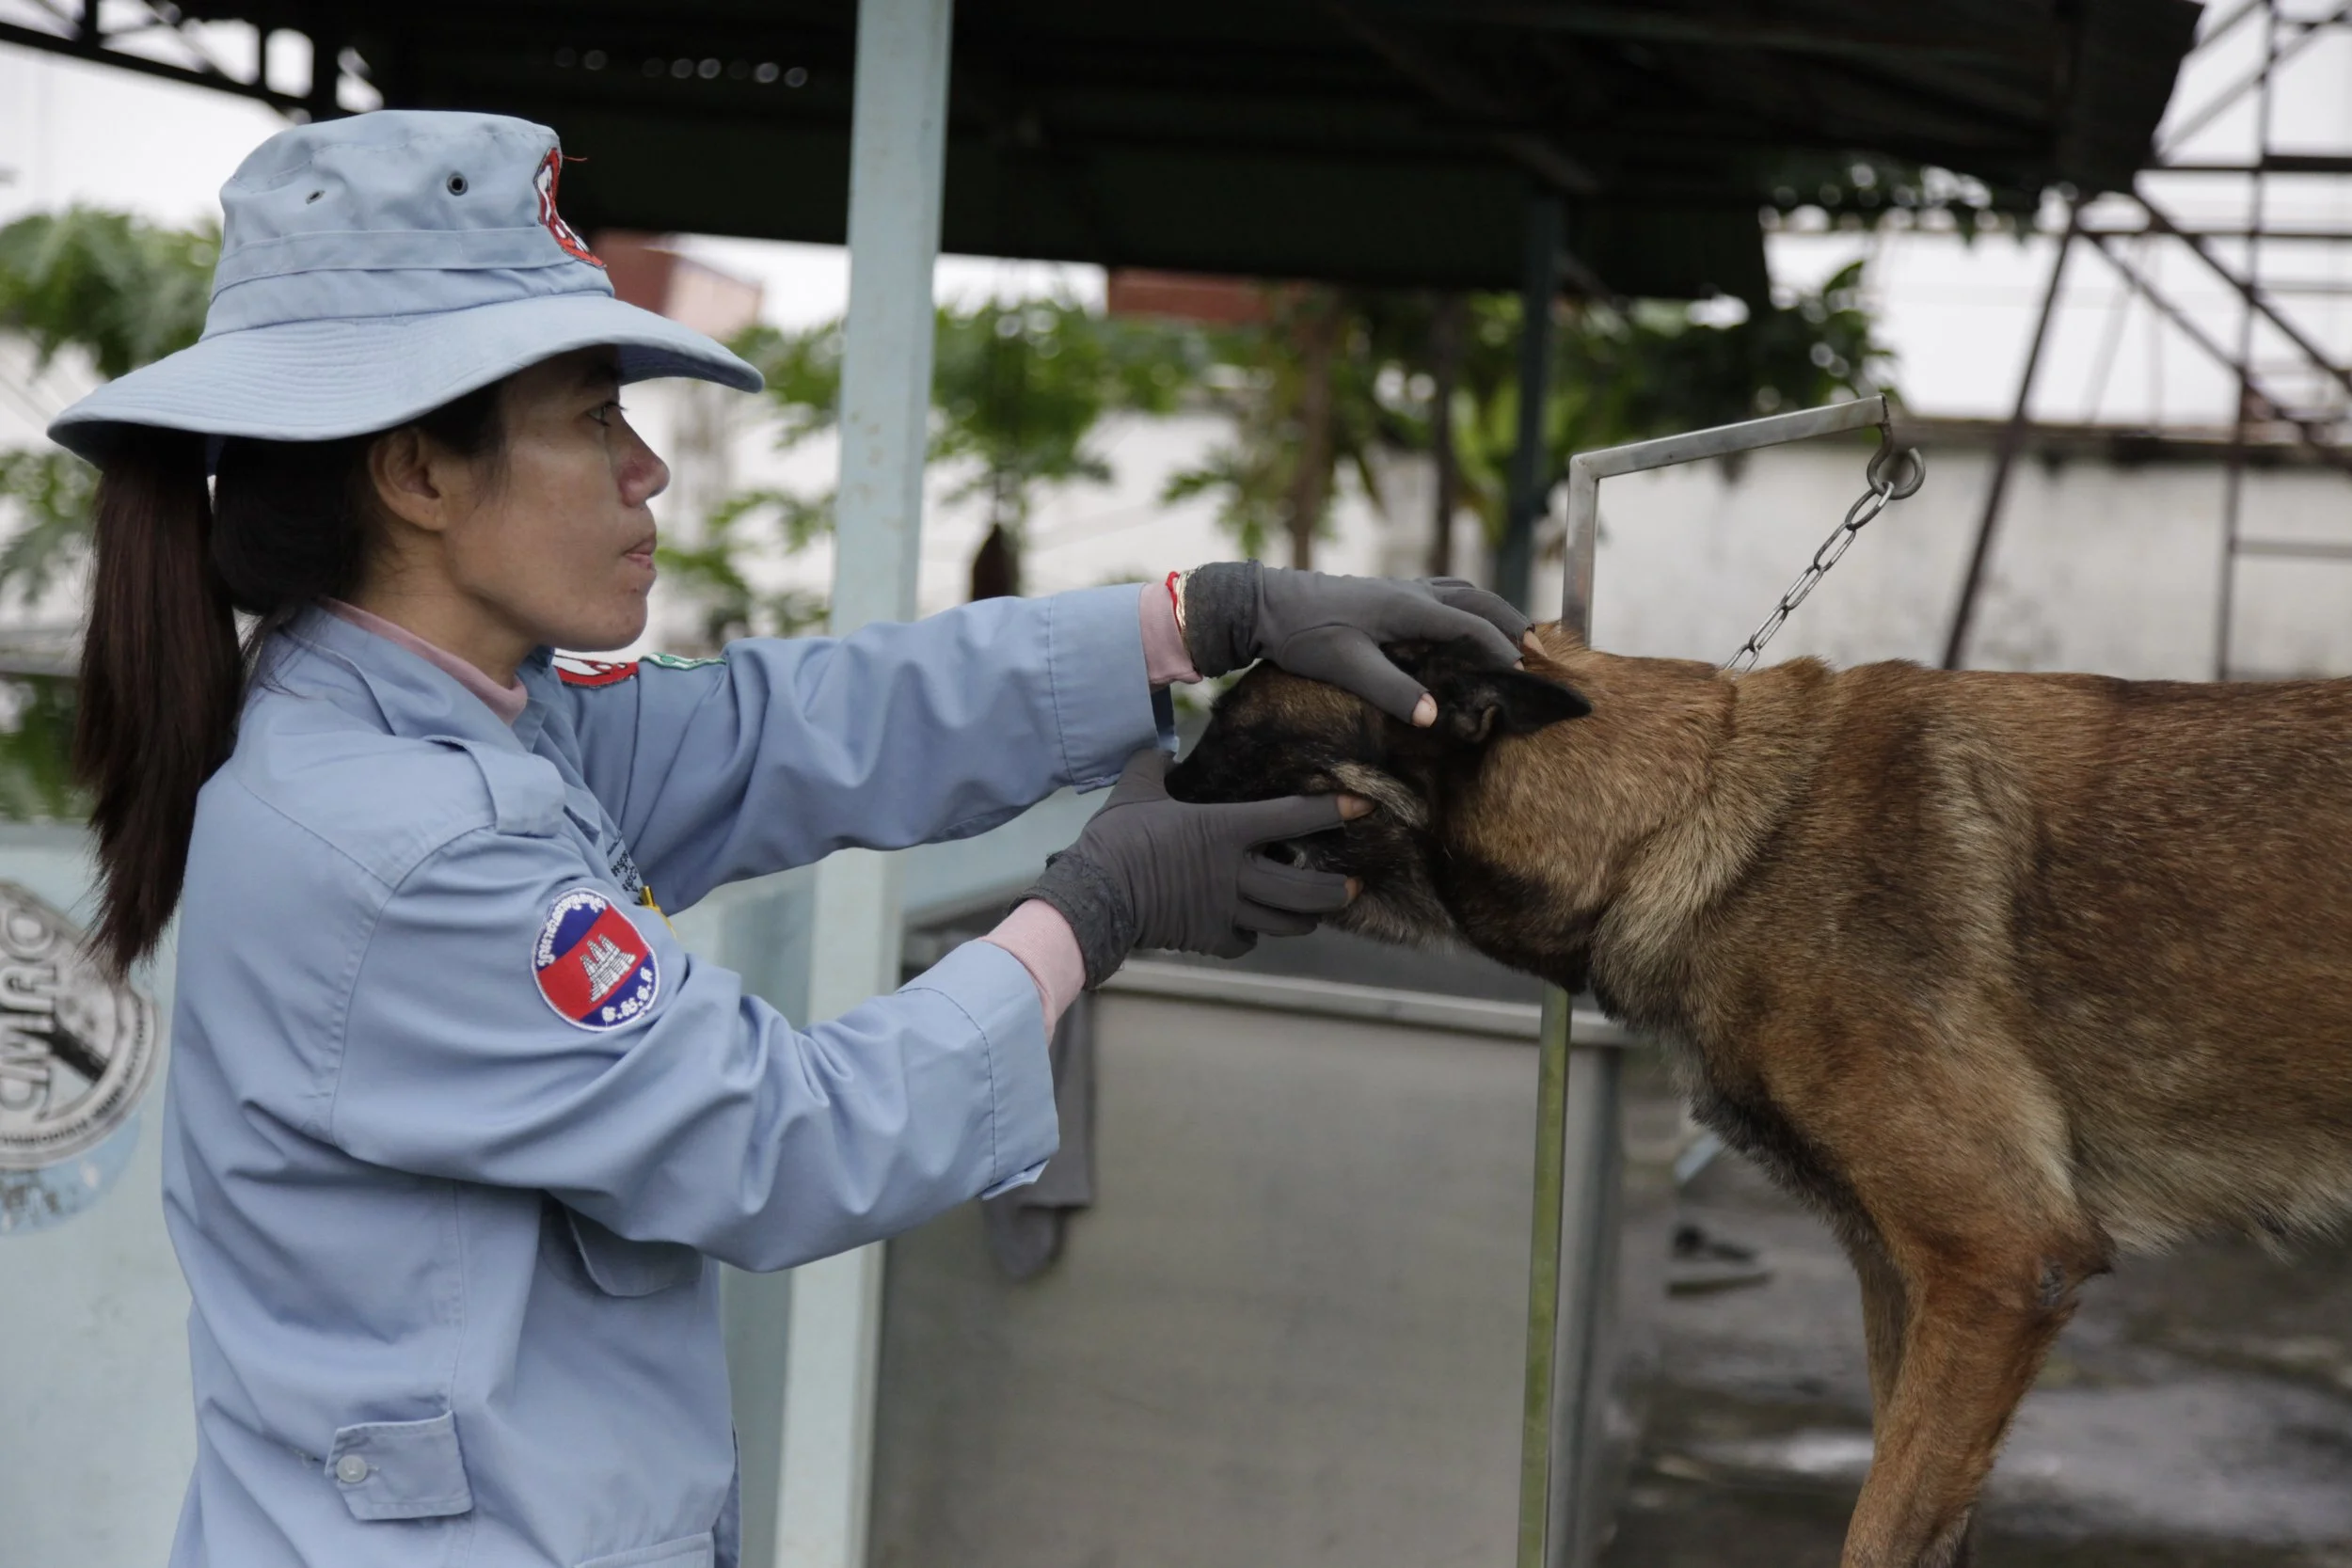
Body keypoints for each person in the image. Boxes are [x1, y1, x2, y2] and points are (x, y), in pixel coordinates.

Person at [50, 111, 1530, 1568]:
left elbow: (794, 724)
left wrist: (1192, 616)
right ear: (418, 474)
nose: (648, 469)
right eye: (590, 414)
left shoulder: (451, 717)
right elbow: (787, 1137)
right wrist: (1095, 908)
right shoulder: (412, 845)